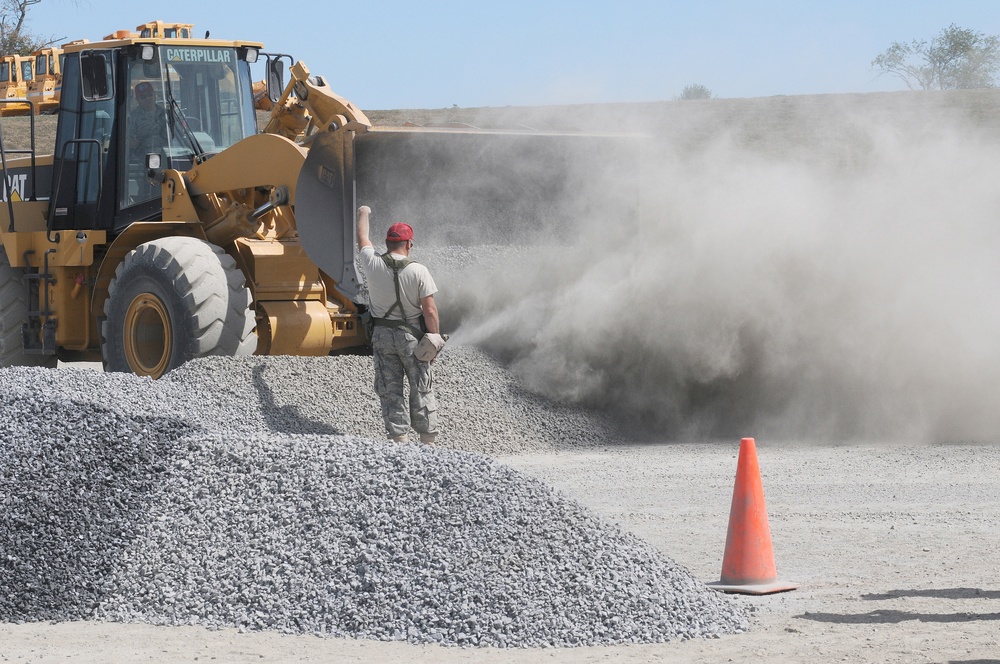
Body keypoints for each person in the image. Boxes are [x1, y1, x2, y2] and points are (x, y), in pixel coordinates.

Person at [356, 205, 441, 444]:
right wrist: (433, 340)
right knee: (421, 387)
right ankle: (427, 442)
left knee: (390, 389)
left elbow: (362, 238)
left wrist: (363, 212)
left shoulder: (372, 263)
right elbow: (430, 310)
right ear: (409, 244)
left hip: (382, 336)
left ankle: (399, 441)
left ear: (386, 243)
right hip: (412, 337)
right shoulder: (419, 270)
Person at [127, 81, 167, 159]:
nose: (147, 98)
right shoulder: (132, 117)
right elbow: (128, 140)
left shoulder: (166, 114)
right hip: (143, 157)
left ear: (155, 95)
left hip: (167, 154)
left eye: (150, 95)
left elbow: (177, 136)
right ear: (137, 99)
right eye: (143, 97)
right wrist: (129, 143)